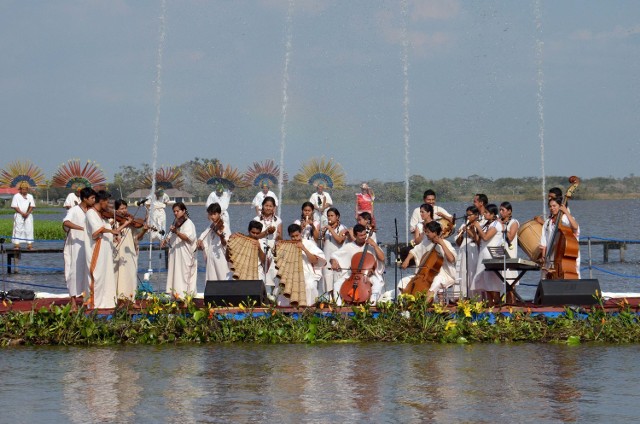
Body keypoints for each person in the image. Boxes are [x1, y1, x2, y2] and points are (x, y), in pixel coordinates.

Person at [400, 221, 457, 303]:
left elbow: (452, 259)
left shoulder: (446, 243)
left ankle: (424, 306)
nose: (426, 234)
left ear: (435, 233)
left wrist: (442, 243)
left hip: (445, 274)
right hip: (427, 275)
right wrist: (407, 260)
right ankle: (403, 304)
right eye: (426, 232)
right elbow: (415, 251)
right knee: (403, 281)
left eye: (428, 232)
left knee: (437, 281)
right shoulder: (426, 242)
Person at [330, 223, 385, 305]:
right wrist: (334, 262)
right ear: (355, 236)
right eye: (361, 235)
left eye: (364, 234)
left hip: (368, 275)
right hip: (352, 275)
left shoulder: (371, 245)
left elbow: (382, 258)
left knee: (377, 284)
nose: (364, 237)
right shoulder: (349, 246)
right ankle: (339, 307)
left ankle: (372, 305)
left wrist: (374, 245)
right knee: (337, 284)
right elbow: (334, 255)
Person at [84, 190, 121, 309]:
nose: (108, 205)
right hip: (97, 250)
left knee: (107, 276)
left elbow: (105, 227)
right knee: (97, 276)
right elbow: (97, 230)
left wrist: (113, 234)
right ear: (101, 201)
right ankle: (95, 305)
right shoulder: (91, 213)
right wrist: (111, 231)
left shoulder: (101, 214)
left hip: (106, 251)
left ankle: (108, 303)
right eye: (107, 202)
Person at [62, 187, 96, 308]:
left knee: (89, 271)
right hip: (75, 246)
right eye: (92, 198)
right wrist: (82, 228)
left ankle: (88, 299)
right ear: (85, 199)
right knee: (73, 272)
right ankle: (73, 302)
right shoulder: (74, 210)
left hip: (88, 246)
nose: (94, 200)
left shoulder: (92, 211)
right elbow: (66, 223)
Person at [281, 223, 327, 306]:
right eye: (293, 236)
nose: (295, 238)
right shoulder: (287, 245)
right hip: (291, 274)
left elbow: (315, 261)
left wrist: (304, 249)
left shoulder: (309, 243)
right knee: (283, 286)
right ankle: (287, 311)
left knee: (309, 285)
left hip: (307, 273)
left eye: (297, 235)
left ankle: (308, 309)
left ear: (301, 233)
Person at [470, 203, 504, 305]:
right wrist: (472, 230)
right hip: (483, 253)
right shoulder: (486, 224)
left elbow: (486, 237)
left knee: (493, 281)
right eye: (484, 212)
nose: (484, 214)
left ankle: (497, 304)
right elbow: (479, 241)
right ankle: (490, 304)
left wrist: (478, 226)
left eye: (486, 212)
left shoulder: (496, 224)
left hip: (493, 254)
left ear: (493, 214)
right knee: (485, 282)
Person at [161, 202, 198, 298]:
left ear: (184, 211)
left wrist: (176, 232)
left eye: (178, 211)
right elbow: (169, 237)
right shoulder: (175, 223)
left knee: (184, 276)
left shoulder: (189, 224)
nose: (175, 213)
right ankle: (175, 297)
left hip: (185, 256)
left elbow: (187, 238)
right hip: (175, 255)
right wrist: (165, 240)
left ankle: (185, 298)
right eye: (174, 211)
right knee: (175, 276)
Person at [113, 199, 147, 300]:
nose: (124, 211)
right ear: (116, 210)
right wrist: (125, 224)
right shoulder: (112, 220)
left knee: (129, 275)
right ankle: (116, 298)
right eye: (121, 209)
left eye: (125, 208)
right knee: (117, 275)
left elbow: (137, 238)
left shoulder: (131, 220)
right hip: (116, 252)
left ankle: (129, 298)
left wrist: (144, 231)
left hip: (129, 252)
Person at [539, 196, 580, 279]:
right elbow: (544, 243)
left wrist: (566, 212)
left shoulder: (565, 219)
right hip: (549, 259)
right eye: (550, 206)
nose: (552, 208)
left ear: (560, 206)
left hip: (562, 259)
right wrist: (543, 257)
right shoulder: (547, 222)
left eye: (554, 206)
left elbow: (575, 227)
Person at [253, 196, 282, 298]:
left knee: (274, 272)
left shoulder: (278, 220)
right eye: (266, 205)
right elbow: (254, 236)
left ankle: (274, 297)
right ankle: (261, 296)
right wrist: (266, 233)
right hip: (260, 247)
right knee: (260, 272)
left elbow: (280, 237)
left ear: (274, 208)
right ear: (262, 206)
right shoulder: (257, 219)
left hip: (273, 248)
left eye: (271, 206)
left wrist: (278, 236)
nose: (268, 208)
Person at [197, 203, 232, 281]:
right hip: (211, 255)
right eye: (211, 214)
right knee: (211, 278)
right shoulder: (211, 225)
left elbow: (226, 244)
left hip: (220, 256)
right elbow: (203, 235)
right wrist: (200, 240)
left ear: (219, 214)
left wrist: (221, 236)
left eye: (214, 214)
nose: (212, 217)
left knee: (222, 277)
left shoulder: (225, 226)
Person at [319, 207, 347, 300]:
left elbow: (339, 240)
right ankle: (330, 300)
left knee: (337, 280)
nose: (330, 218)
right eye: (328, 216)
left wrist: (330, 229)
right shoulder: (327, 230)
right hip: (327, 258)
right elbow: (322, 243)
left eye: (332, 216)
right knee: (327, 279)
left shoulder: (342, 228)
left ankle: (339, 300)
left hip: (338, 259)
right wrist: (322, 234)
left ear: (337, 217)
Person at [454, 205, 480, 299]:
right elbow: (458, 242)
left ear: (476, 215)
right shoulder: (464, 224)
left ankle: (475, 297)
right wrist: (460, 236)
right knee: (463, 273)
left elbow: (478, 240)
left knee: (472, 273)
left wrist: (468, 231)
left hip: (473, 251)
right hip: (463, 251)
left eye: (470, 215)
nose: (468, 217)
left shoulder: (479, 225)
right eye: (467, 215)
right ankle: (463, 296)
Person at [11, 181, 36, 250]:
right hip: (19, 215)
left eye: (26, 189)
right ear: (20, 189)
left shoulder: (30, 196)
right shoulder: (16, 196)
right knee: (18, 229)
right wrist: (22, 213)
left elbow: (32, 206)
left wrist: (27, 213)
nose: (24, 190)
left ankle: (29, 244)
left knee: (29, 229)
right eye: (23, 189)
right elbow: (14, 206)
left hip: (28, 215)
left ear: (27, 189)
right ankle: (17, 244)